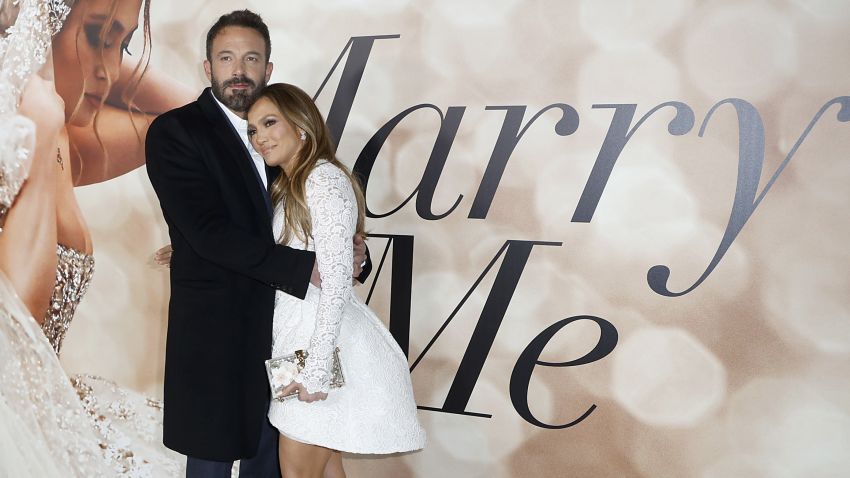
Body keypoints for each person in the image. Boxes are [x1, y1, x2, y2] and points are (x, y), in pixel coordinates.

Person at [144, 10, 370, 477]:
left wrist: (350, 257)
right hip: (218, 336)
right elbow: (206, 231)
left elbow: (313, 226)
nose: (239, 69)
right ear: (208, 69)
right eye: (226, 58)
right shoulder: (175, 132)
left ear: (269, 69)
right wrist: (304, 266)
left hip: (290, 336)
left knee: (280, 462)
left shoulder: (285, 139)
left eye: (252, 58)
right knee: (209, 462)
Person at [0, 0, 185, 475]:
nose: (109, 70)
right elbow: (18, 332)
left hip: (53, 416)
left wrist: (95, 47)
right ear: (42, 28)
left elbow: (192, 122)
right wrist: (39, 129)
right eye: (98, 38)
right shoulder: (27, 130)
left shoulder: (61, 128)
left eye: (121, 45)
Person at [246, 83, 425, 478]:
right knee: (326, 469)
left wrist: (317, 370)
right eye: (253, 129)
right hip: (299, 346)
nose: (260, 137)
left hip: (317, 350)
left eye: (269, 123)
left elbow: (337, 283)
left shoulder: (322, 181)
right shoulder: (290, 187)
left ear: (302, 124)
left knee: (299, 472)